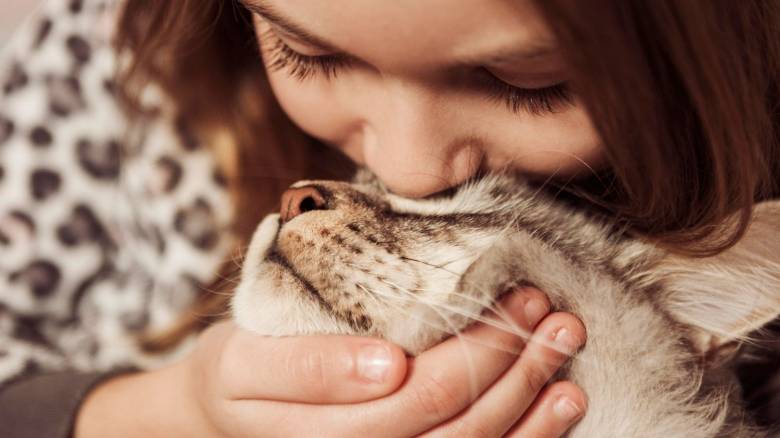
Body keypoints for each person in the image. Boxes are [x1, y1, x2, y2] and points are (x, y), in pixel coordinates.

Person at [0, 0, 777, 436]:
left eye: (532, 83)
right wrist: (173, 414)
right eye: (305, 51)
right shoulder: (97, 71)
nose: (403, 169)